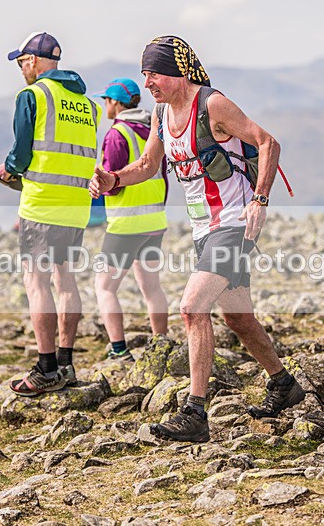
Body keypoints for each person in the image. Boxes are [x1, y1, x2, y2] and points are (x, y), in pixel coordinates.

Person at [90, 36, 305, 443]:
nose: (147, 81)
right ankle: (283, 384)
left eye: (154, 72)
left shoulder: (212, 105)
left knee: (192, 308)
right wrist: (113, 179)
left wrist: (260, 200)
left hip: (234, 225)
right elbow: (149, 164)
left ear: (179, 71)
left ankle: (195, 413)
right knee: (238, 319)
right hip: (204, 229)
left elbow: (267, 142)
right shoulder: (159, 113)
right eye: (144, 74)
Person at [0, 31, 100, 395]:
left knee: (36, 282)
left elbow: (22, 151)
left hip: (41, 204)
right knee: (65, 280)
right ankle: (66, 363)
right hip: (76, 207)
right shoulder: (87, 104)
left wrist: (9, 168)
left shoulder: (33, 95)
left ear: (36, 62)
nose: (22, 69)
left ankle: (45, 368)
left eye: (23, 62)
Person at [92, 78, 169, 361]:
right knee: (152, 287)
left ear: (114, 103)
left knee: (104, 287)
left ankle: (119, 350)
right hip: (154, 221)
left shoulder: (116, 134)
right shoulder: (153, 131)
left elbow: (113, 181)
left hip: (125, 224)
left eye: (106, 101)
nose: (105, 106)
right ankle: (162, 343)